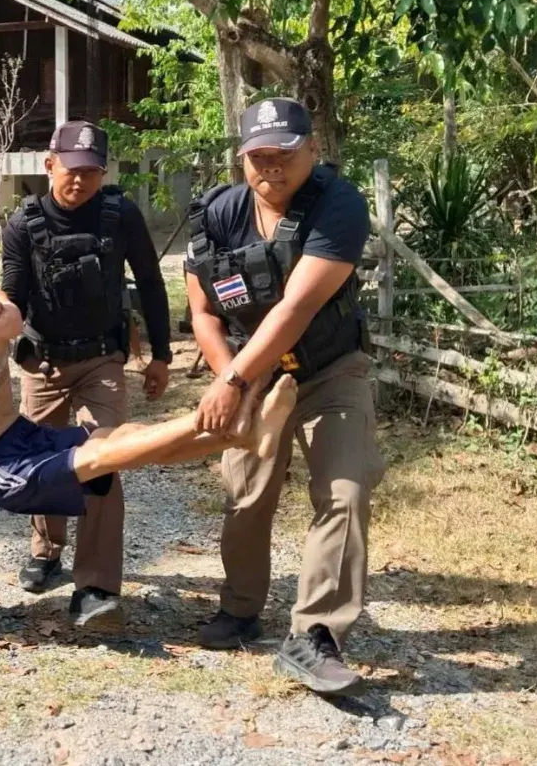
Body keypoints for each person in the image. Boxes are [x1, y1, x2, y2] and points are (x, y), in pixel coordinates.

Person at [184, 98, 386, 696]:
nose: (271, 166)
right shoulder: (218, 214)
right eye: (259, 155)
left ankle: (315, 635)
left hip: (330, 369)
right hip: (252, 372)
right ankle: (241, 606)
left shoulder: (338, 204)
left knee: (345, 491)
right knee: (247, 494)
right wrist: (235, 380)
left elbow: (296, 308)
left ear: (313, 150)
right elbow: (203, 313)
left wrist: (233, 381)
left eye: (285, 154)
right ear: (242, 157)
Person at [0, 242, 297, 521]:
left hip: (22, 433)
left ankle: (241, 436)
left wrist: (0, 315)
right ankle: (215, 420)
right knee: (101, 454)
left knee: (124, 439)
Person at [0, 119, 173, 627]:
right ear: (49, 164)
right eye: (71, 169)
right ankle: (46, 549)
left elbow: (150, 283)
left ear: (103, 172)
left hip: (102, 358)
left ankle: (96, 585)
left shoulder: (121, 215)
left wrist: (161, 355)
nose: (80, 180)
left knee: (101, 461)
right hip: (44, 361)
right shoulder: (23, 223)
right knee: (43, 461)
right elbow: (13, 295)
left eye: (92, 171)